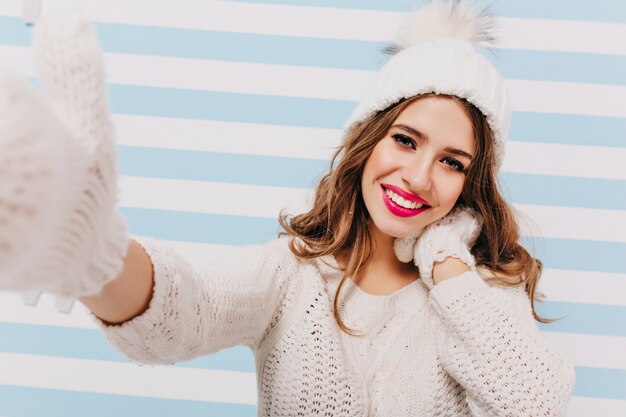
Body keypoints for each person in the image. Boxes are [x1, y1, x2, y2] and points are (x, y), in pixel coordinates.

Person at [0, 1, 575, 415]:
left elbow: (535, 402)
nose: (419, 176)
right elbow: (183, 309)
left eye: (453, 162)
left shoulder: (484, 292)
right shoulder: (292, 275)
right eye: (405, 139)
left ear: (472, 186)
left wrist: (446, 260)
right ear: (367, 140)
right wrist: (96, 252)